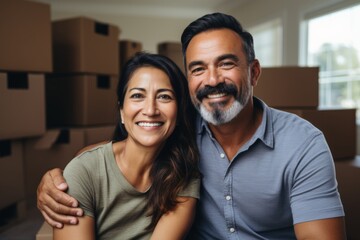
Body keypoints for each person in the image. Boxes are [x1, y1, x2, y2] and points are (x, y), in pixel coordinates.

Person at [37, 13, 346, 239]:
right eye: (198, 68)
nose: (212, 80)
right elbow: (122, 147)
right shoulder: (179, 126)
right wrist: (59, 177)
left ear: (253, 72)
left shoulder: (303, 144)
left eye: (226, 64)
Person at [50, 52, 200, 239]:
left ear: (178, 114)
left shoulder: (182, 174)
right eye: (138, 95)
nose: (150, 110)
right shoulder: (84, 171)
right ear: (121, 111)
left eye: (164, 97)